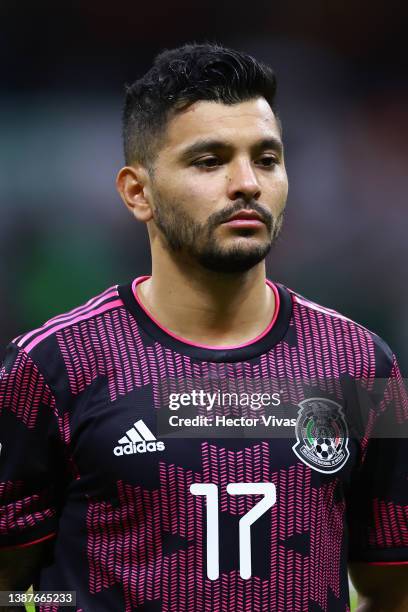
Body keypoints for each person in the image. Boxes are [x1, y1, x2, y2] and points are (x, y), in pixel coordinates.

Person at [0, 43, 407, 612]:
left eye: (266, 159)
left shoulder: (366, 366)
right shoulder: (51, 365)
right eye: (209, 160)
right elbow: (9, 585)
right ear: (137, 192)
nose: (248, 184)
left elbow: (392, 588)